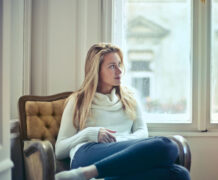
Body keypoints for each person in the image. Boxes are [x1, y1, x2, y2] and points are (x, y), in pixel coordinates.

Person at [54, 43, 190, 180]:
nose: (119, 71)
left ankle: (96, 176)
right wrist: (89, 133)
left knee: (180, 174)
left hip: (123, 152)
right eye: (112, 66)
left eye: (119, 64)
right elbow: (60, 150)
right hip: (87, 153)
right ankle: (85, 172)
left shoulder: (130, 97)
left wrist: (120, 141)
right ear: (96, 71)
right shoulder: (77, 101)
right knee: (166, 145)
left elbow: (142, 133)